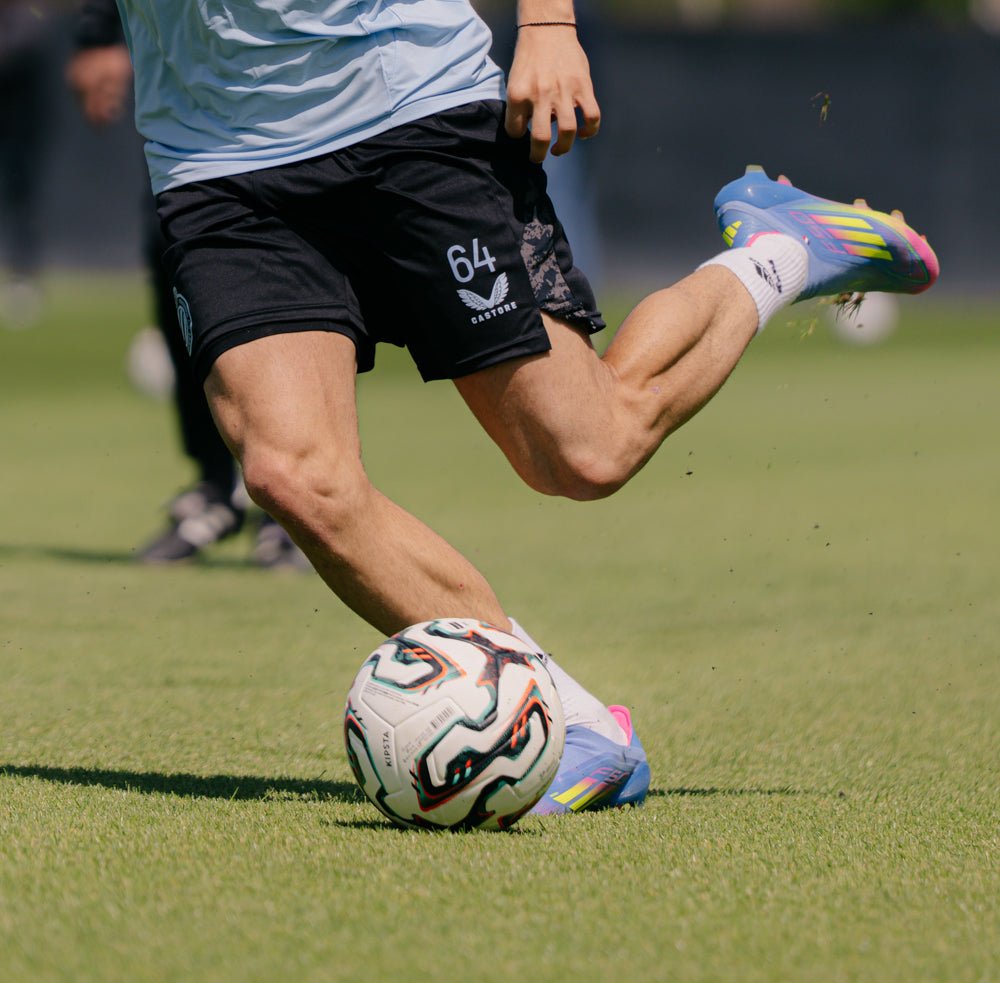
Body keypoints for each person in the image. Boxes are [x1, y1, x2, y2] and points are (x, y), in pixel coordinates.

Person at [110, 0, 938, 814]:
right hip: (213, 160)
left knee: (587, 451)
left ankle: (781, 249)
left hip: (407, 105)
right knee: (293, 476)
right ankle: (571, 723)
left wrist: (547, 23)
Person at [67, 0, 308, 569]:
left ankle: (296, 498)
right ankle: (216, 483)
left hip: (306, 73)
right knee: (178, 265)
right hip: (187, 77)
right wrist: (100, 29)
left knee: (304, 280)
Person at [0, 0, 55, 328]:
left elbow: (22, 48)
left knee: (21, 198)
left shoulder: (25, 19)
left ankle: (23, 276)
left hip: (19, 130)